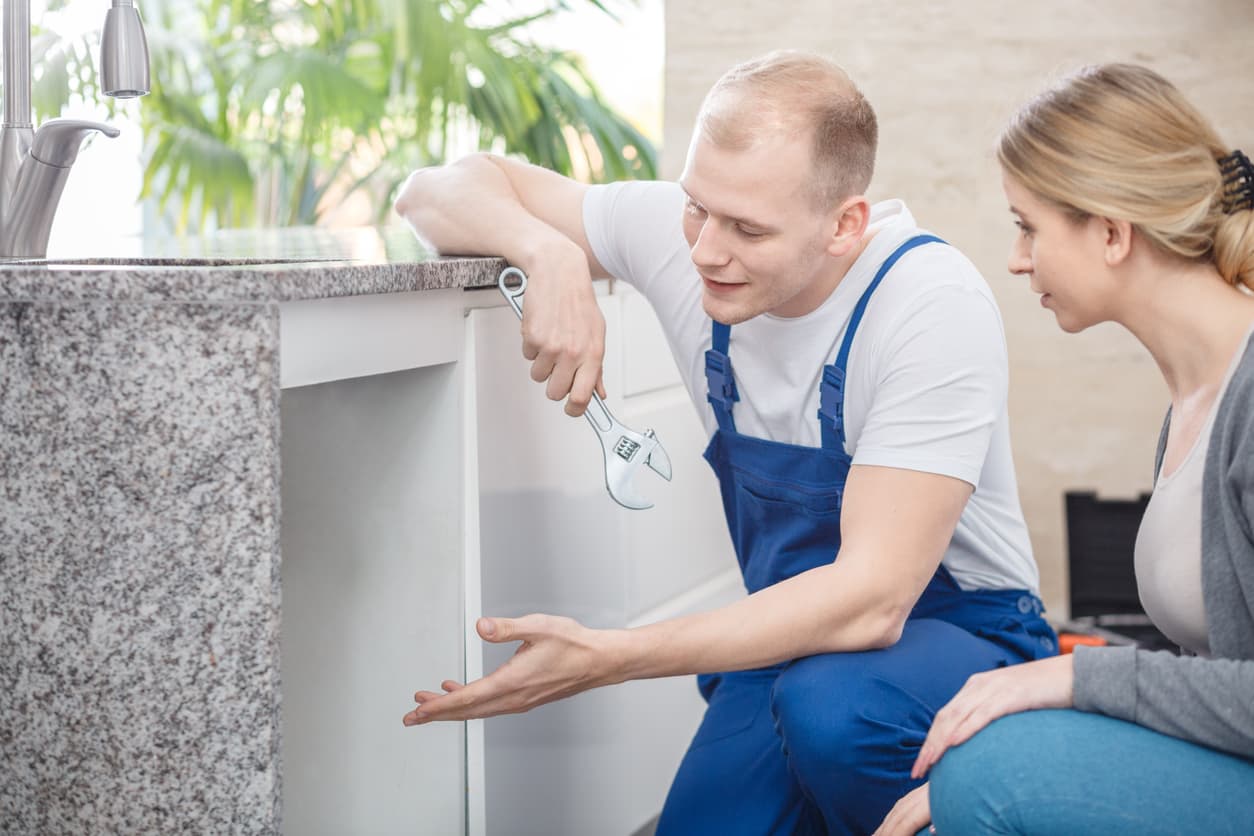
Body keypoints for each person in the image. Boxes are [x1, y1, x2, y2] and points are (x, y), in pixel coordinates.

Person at [394, 50, 1056, 835]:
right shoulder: (695, 237)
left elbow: (874, 602)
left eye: (747, 228)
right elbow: (431, 190)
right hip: (791, 639)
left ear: (845, 225)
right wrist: (549, 254)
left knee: (836, 717)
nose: (706, 250)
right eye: (697, 208)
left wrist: (610, 656)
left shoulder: (927, 306)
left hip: (957, 635)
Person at [875, 63, 1254, 836]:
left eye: (1027, 226)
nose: (1017, 259)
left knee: (991, 770)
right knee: (978, 762)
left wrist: (1073, 679)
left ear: (1112, 232)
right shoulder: (1196, 399)